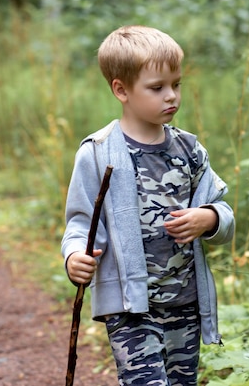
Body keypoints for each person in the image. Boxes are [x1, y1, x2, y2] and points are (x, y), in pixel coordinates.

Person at [61, 25, 235, 386]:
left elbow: (223, 210)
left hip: (185, 302)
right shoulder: (97, 153)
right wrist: (74, 255)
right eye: (157, 88)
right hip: (130, 307)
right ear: (121, 89)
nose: (171, 96)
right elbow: (80, 222)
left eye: (177, 84)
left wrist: (209, 218)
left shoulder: (189, 150)